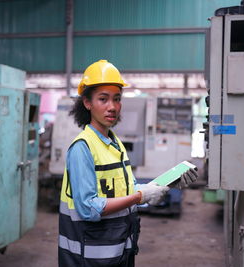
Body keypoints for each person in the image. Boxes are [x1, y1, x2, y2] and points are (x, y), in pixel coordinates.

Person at [58, 59, 198, 267]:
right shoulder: (82, 148)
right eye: (103, 99)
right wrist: (140, 196)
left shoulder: (115, 144)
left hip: (118, 250)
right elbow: (89, 207)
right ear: (87, 103)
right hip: (88, 256)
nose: (112, 107)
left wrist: (164, 185)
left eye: (117, 99)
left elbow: (127, 190)